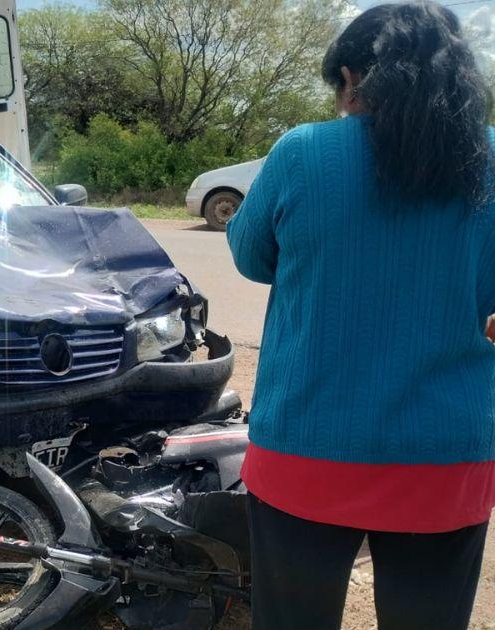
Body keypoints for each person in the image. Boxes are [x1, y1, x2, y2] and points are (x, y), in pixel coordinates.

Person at [227, 3, 495, 628]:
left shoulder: (303, 152)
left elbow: (249, 255)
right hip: (444, 457)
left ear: (350, 78)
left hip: (306, 449)